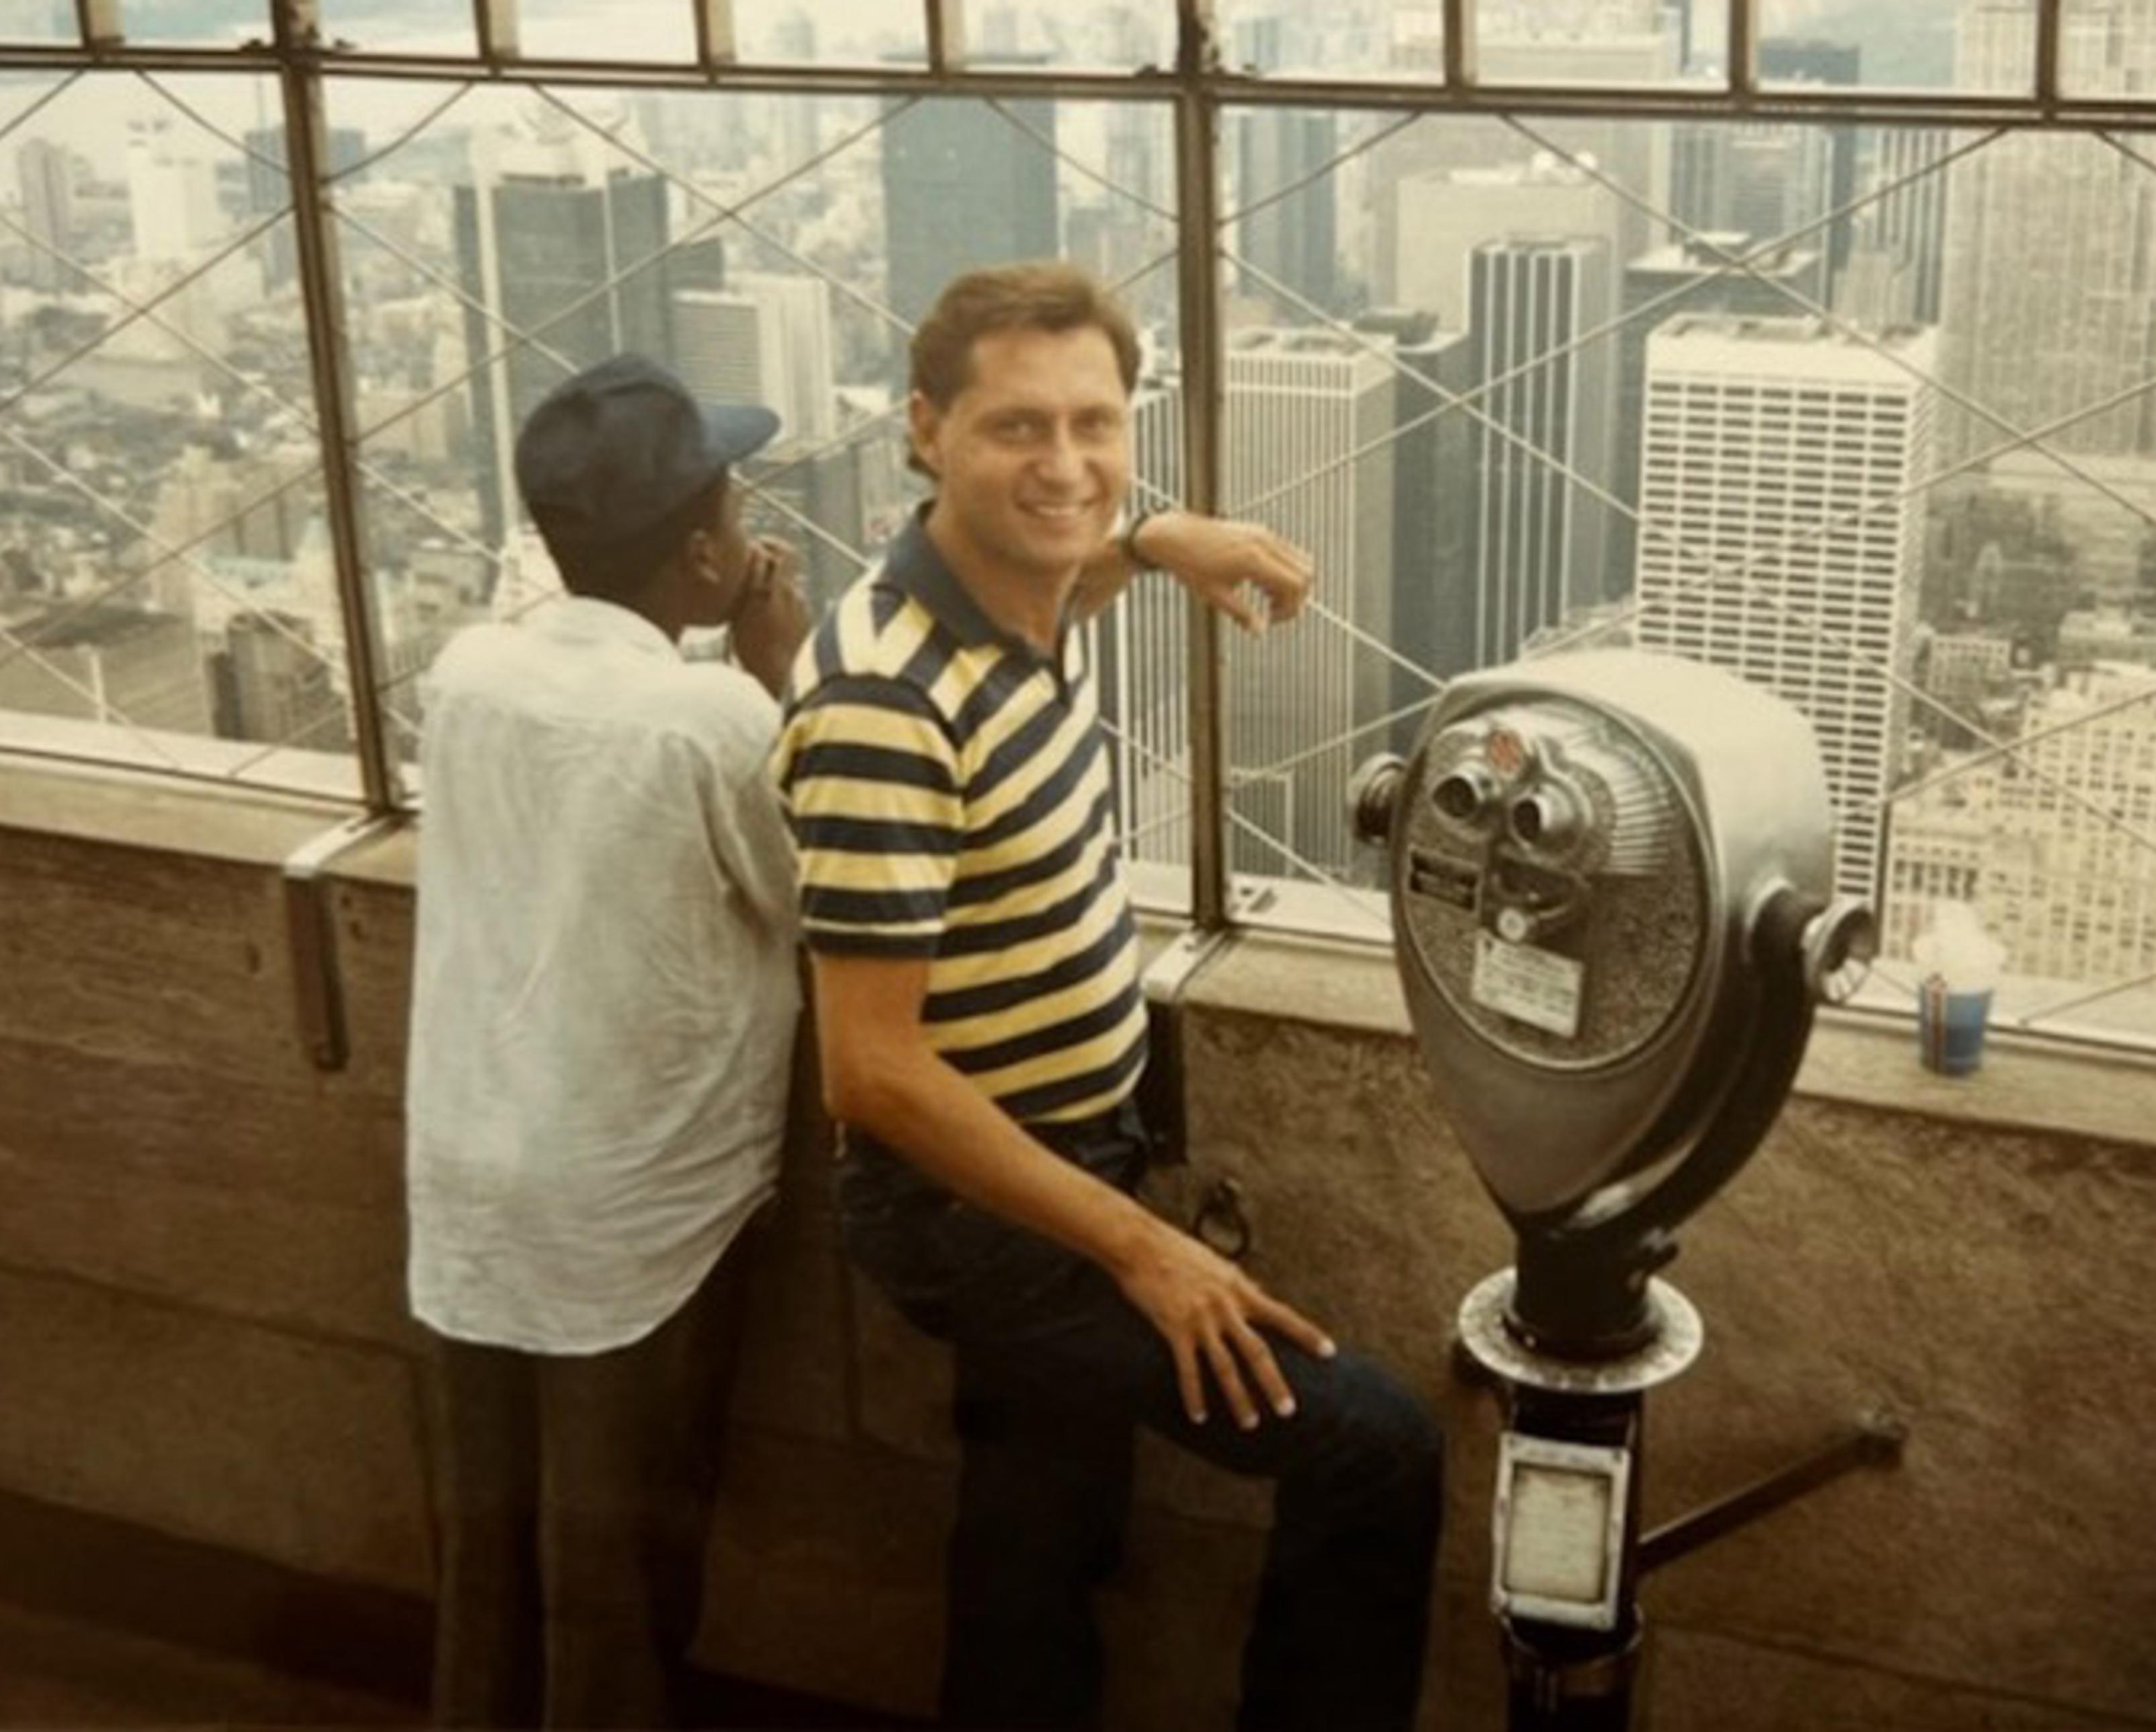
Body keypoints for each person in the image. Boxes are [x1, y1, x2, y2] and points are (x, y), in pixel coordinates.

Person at [773, 263, 1446, 1731]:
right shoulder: (888, 699)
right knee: (1375, 1448)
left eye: (1097, 421)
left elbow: (1076, 543)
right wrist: (1145, 1250)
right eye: (1017, 428)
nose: (1064, 464)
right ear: (925, 430)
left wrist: (1162, 533)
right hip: (974, 1211)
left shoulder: (1030, 594)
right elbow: (868, 1072)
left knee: (1039, 1527)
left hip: (1067, 1155)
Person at [404, 353, 811, 1728]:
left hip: (466, 1187)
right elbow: (809, 890)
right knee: (618, 1597)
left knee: (486, 1574)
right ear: (703, 553)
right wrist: (776, 673)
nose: (751, 526)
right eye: (736, 504)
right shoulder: (713, 720)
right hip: (632, 1217)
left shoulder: (465, 676)